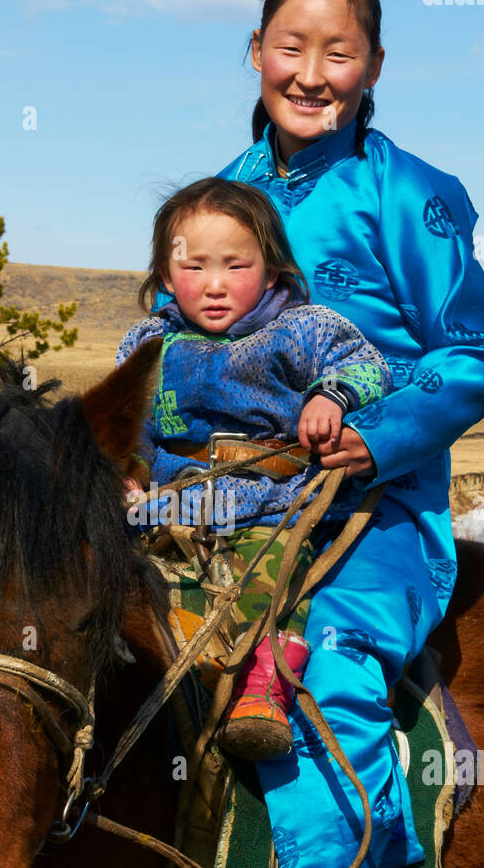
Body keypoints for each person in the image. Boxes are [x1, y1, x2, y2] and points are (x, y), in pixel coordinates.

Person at [150, 0, 484, 868]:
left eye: (336, 51)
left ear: (371, 67)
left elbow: (474, 355)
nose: (310, 72)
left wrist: (375, 434)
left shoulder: (413, 194)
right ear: (253, 54)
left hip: (372, 506)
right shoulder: (224, 195)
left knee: (325, 675)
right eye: (289, 48)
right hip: (226, 506)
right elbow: (179, 328)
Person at [116, 176, 392, 760]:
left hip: (270, 499)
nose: (214, 285)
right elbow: (129, 420)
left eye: (235, 265)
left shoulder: (301, 327)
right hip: (169, 502)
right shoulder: (150, 341)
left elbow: (369, 365)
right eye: (193, 268)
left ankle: (268, 672)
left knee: (259, 580)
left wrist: (331, 396)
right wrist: (128, 470)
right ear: (166, 277)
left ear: (271, 270)